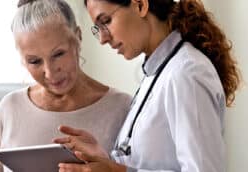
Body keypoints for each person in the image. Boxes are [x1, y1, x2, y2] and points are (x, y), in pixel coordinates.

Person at [53, 0, 241, 171]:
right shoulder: (158, 72)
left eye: (106, 21)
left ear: (141, 5)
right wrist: (105, 159)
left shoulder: (186, 74)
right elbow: (152, 162)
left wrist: (116, 171)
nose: (103, 38)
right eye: (98, 28)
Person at [0, 0, 132, 171]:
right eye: (34, 61)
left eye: (58, 54)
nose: (50, 73)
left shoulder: (122, 107)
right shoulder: (10, 108)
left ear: (78, 37)